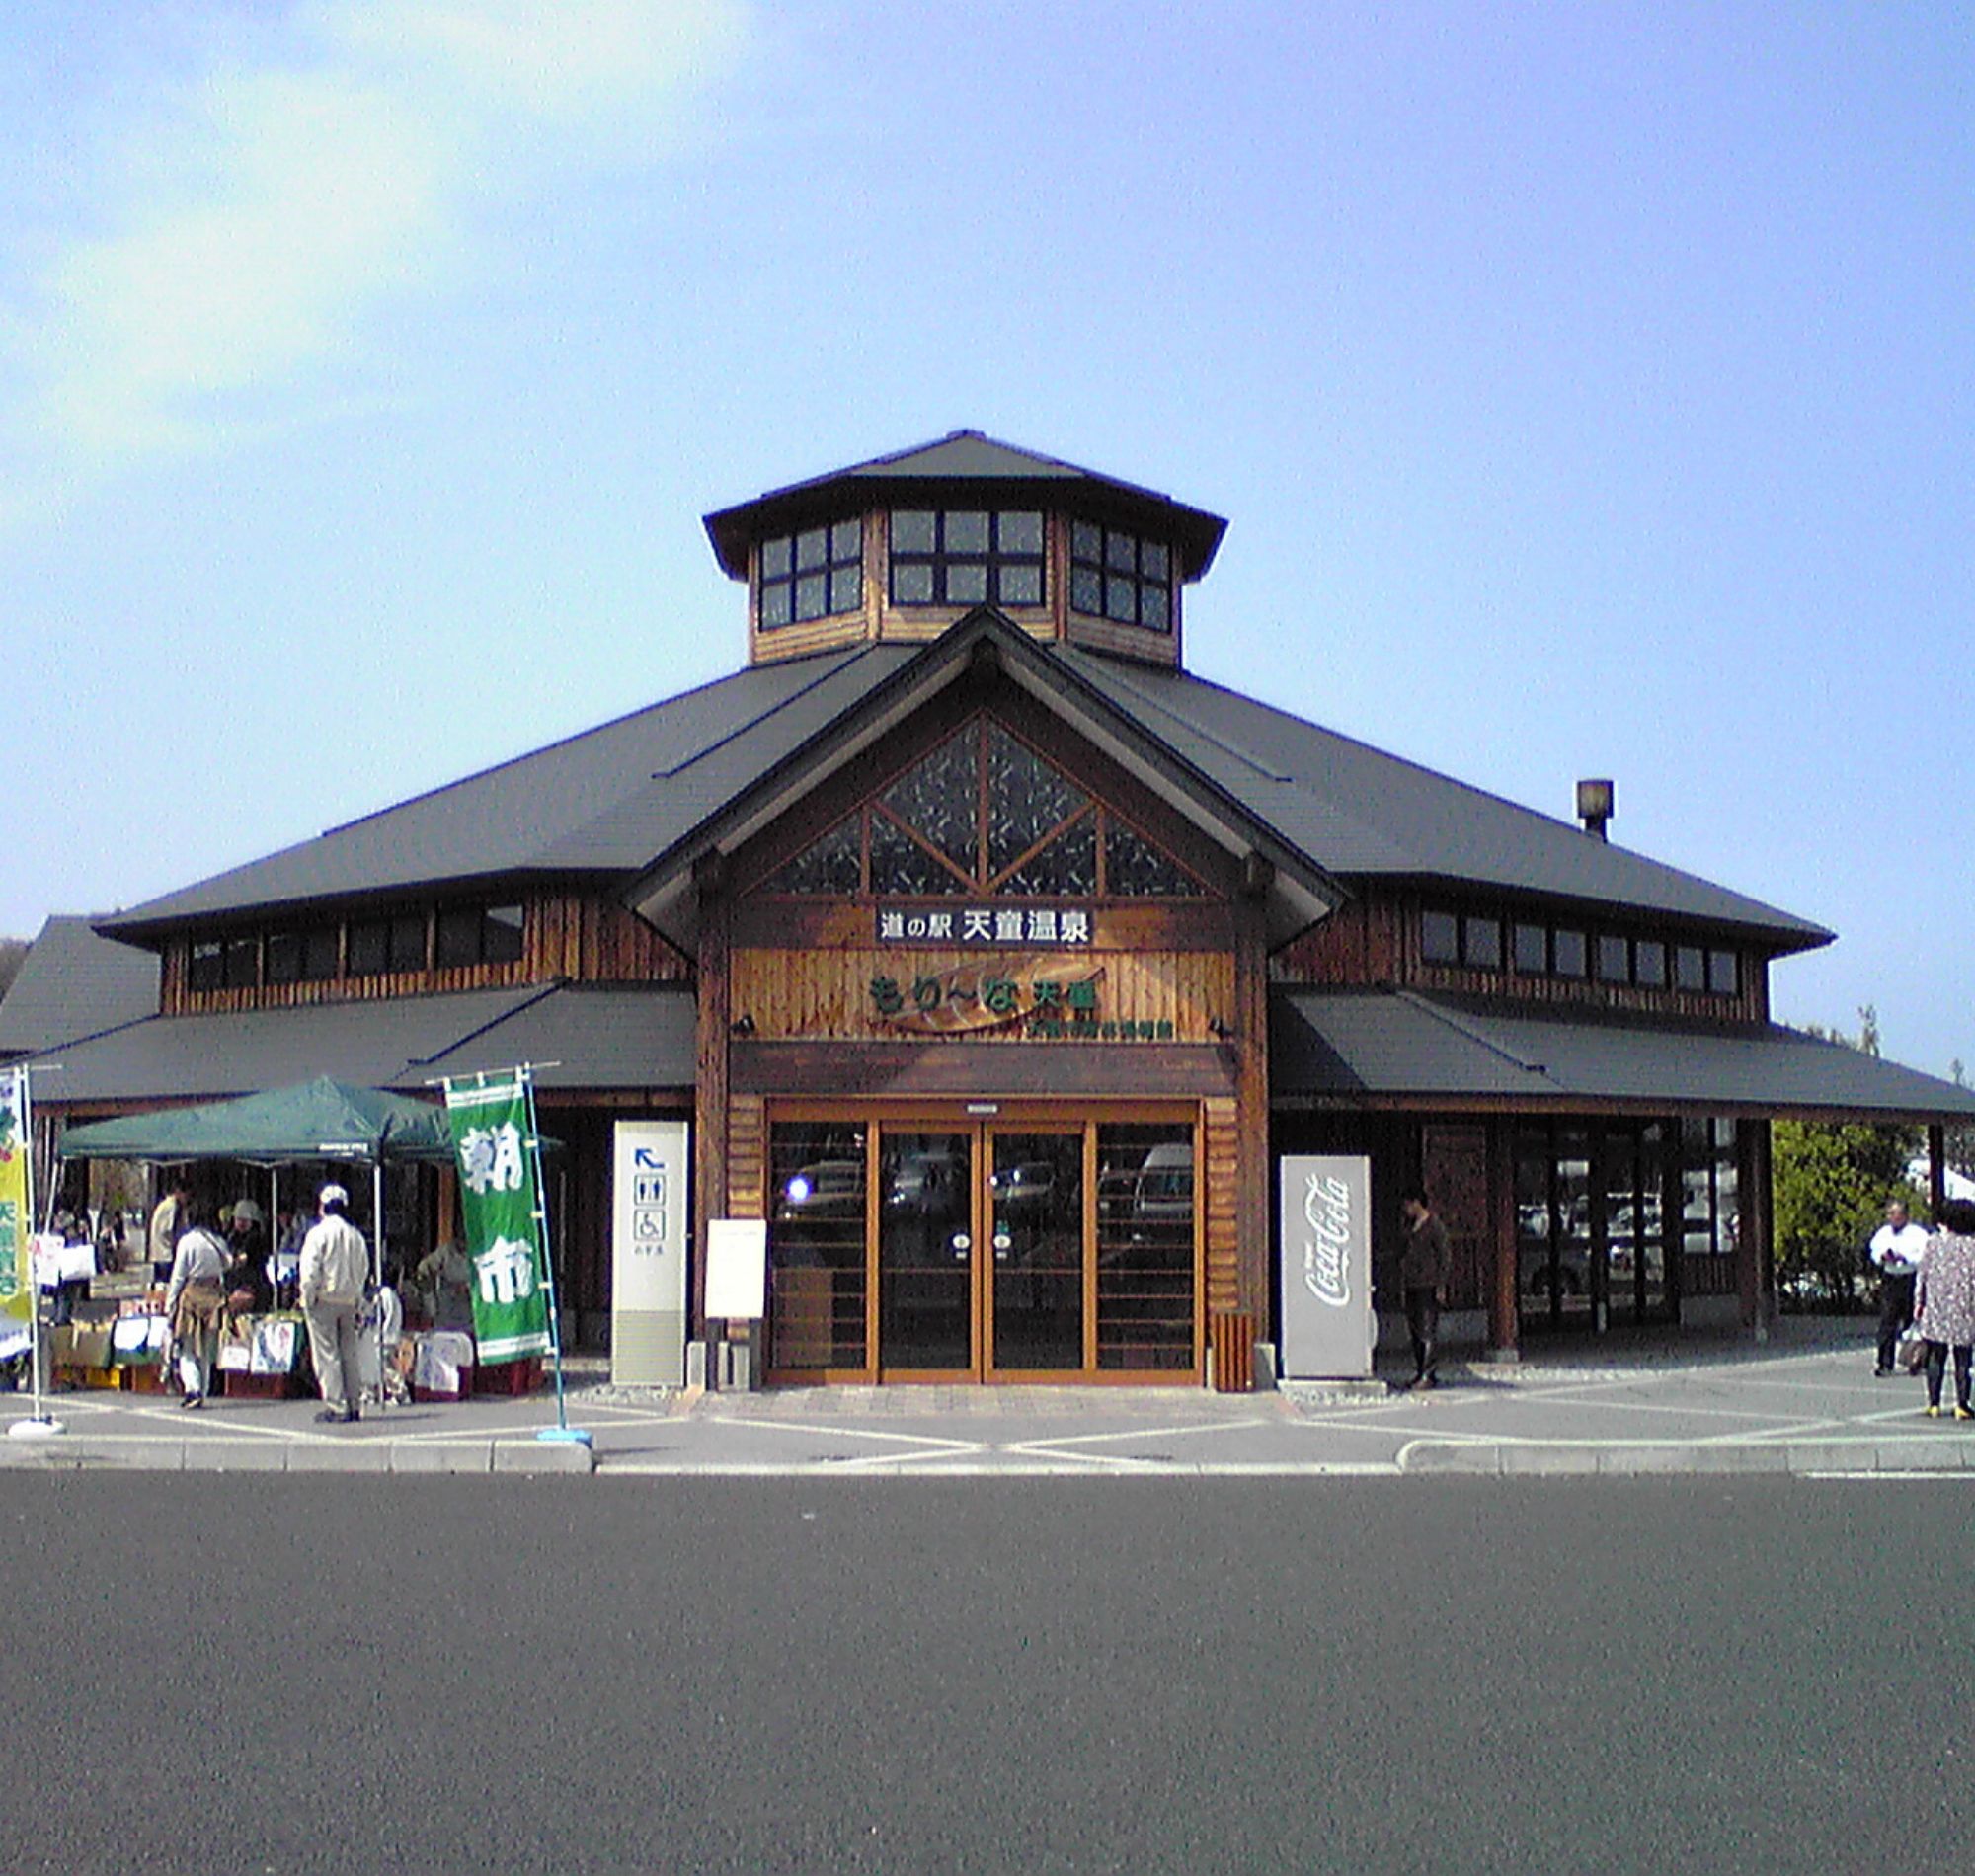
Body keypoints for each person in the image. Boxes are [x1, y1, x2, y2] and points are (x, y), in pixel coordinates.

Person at [299, 1184, 371, 1425]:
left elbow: (310, 1271)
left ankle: (335, 1404)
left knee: (327, 1355)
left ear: (323, 1207)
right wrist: (359, 1300)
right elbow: (363, 1270)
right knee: (349, 1354)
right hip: (350, 1300)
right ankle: (354, 1404)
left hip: (324, 1299)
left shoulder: (318, 1234)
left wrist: (307, 1298)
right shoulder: (356, 1236)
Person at [1913, 1197, 1975, 1421]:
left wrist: (1918, 1304)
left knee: (1935, 1357)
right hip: (1965, 1308)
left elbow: (1922, 1275)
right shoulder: (1972, 1246)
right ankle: (1962, 1404)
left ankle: (1934, 1404)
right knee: (1962, 1360)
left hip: (1937, 1307)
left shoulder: (1934, 1243)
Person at [163, 1201, 229, 1409]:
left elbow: (178, 1275)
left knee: (186, 1346)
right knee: (207, 1348)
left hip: (191, 1297)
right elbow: (227, 1264)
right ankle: (205, 1388)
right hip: (213, 1297)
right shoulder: (218, 1241)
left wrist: (170, 1303)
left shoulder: (187, 1242)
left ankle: (193, 1388)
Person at [1395, 1186, 1451, 1391]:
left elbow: (1444, 1256)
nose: (1406, 1208)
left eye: (1408, 1204)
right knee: (1415, 1330)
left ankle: (1428, 1373)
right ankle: (1420, 1371)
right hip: (1412, 1283)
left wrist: (1441, 1284)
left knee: (1428, 1330)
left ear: (1417, 1202)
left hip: (1428, 1283)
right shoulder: (1410, 1226)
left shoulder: (1434, 1226)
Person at [1868, 1197, 1931, 1376]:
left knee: (1913, 1321)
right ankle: (1884, 1363)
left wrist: (1906, 1258)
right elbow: (1874, 1250)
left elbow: (1925, 1256)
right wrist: (1883, 1257)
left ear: (1904, 1215)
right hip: (1891, 1279)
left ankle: (1916, 1360)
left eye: (1895, 1214)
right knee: (1887, 1321)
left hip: (1910, 1277)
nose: (1891, 1218)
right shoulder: (1884, 1233)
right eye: (1889, 1214)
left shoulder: (1917, 1234)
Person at [224, 1199, 273, 1315]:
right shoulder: (231, 1238)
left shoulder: (255, 1238)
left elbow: (244, 1259)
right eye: (238, 1220)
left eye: (244, 1221)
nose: (240, 1223)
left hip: (252, 1282)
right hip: (233, 1281)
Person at [147, 1178, 192, 1284]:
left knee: (161, 1285)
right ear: (179, 1192)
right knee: (167, 1284)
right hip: (165, 1254)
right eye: (186, 1195)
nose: (187, 1199)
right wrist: (178, 1243)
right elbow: (167, 1231)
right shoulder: (171, 1206)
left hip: (160, 1254)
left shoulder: (169, 1205)